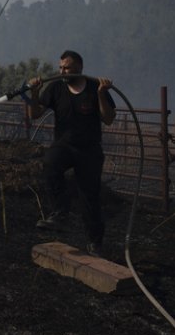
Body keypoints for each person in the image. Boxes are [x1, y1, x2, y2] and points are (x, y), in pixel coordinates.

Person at [26, 50, 115, 256]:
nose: (62, 71)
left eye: (67, 68)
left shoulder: (95, 88)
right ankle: (60, 214)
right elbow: (35, 114)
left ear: (79, 68)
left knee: (89, 198)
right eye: (60, 67)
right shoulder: (56, 87)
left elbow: (108, 118)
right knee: (50, 165)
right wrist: (34, 92)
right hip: (64, 146)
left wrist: (102, 94)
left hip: (89, 150)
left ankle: (95, 243)